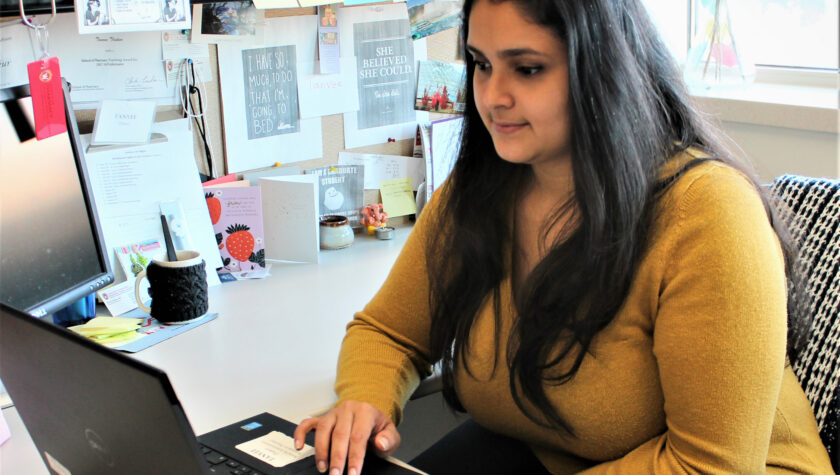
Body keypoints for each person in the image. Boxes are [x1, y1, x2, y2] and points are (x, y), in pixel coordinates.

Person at [294, 0, 834, 473]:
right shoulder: (485, 188)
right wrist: (365, 401)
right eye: (481, 65)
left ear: (604, 72)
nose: (492, 96)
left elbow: (710, 467)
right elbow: (390, 331)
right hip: (551, 455)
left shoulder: (708, 215)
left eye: (527, 69)